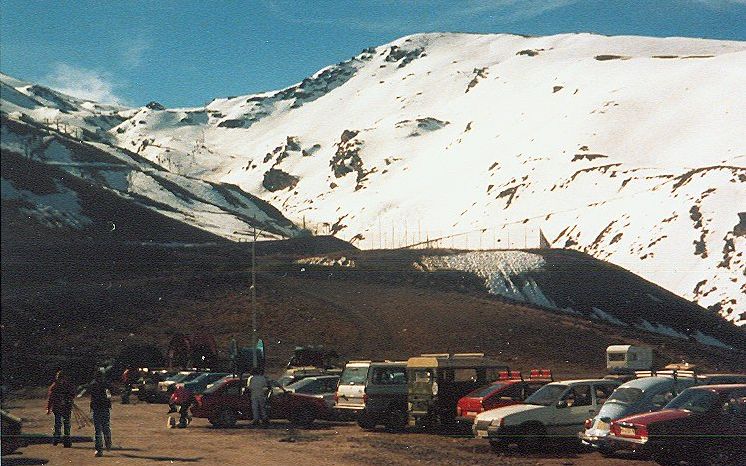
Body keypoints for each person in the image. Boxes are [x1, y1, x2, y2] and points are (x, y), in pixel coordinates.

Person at [46, 370, 76, 448]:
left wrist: (69, 399)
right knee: (58, 424)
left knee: (66, 424)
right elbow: (51, 398)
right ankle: (56, 439)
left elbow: (72, 394)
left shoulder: (68, 386)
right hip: (57, 408)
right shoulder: (54, 386)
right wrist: (48, 408)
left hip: (66, 407)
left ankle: (66, 441)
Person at [86, 370, 113, 457]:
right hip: (103, 408)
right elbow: (109, 395)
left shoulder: (93, 384)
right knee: (105, 428)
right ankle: (107, 443)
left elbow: (91, 395)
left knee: (98, 430)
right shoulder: (105, 384)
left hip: (97, 409)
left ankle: (99, 449)